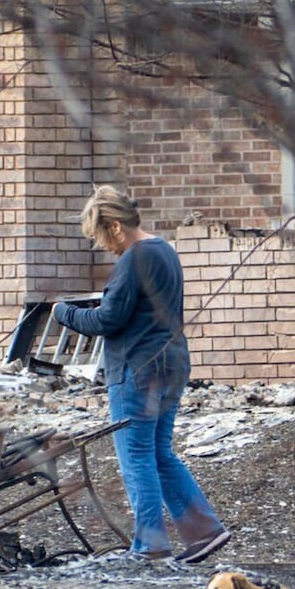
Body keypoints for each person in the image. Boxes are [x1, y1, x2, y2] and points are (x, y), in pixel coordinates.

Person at [52, 186, 231, 564]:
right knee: (159, 453)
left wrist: (63, 313)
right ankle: (205, 532)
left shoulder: (134, 259)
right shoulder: (165, 250)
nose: (102, 245)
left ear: (115, 227)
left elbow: (108, 318)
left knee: (136, 456)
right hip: (172, 364)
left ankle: (150, 545)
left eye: (100, 235)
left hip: (137, 370)